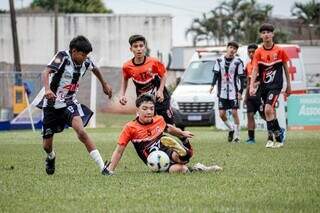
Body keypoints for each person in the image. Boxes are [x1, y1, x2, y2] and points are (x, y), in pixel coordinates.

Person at [38, 35, 112, 175]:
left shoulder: (85, 62)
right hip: (51, 105)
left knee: (82, 132)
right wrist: (47, 90)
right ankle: (51, 157)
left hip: (69, 102)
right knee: (47, 146)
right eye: (83, 54)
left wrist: (104, 84)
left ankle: (103, 168)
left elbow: (95, 69)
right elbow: (46, 71)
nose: (85, 57)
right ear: (73, 51)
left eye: (87, 55)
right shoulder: (63, 57)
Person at [102, 94, 222, 175]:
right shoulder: (130, 127)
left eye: (151, 108)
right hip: (153, 158)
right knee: (182, 169)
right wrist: (110, 170)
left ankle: (184, 145)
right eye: (144, 108)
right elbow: (119, 151)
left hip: (165, 147)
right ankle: (198, 166)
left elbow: (169, 129)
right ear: (137, 110)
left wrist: (181, 133)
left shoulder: (159, 119)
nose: (149, 112)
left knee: (180, 157)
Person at [249, 23, 291, 148]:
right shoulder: (258, 52)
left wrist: (289, 85)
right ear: (260, 35)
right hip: (263, 87)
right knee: (267, 112)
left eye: (268, 32)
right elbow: (255, 70)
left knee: (268, 109)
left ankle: (277, 138)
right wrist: (252, 86)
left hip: (276, 86)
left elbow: (286, 69)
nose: (266, 34)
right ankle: (272, 137)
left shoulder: (280, 50)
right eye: (263, 32)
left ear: (273, 34)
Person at [119, 34, 174, 124]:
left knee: (169, 124)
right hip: (144, 100)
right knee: (144, 123)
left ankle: (183, 137)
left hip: (160, 98)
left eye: (141, 46)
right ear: (131, 49)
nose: (139, 49)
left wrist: (160, 90)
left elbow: (163, 75)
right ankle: (155, 138)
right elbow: (125, 79)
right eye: (135, 46)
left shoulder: (154, 62)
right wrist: (123, 95)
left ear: (145, 48)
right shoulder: (127, 66)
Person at [209, 41, 245, 143]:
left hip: (234, 91)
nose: (232, 50)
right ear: (227, 48)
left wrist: (240, 92)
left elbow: (242, 78)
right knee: (221, 114)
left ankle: (237, 136)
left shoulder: (238, 62)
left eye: (234, 48)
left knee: (234, 112)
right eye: (230, 47)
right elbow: (216, 74)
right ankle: (231, 128)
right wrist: (212, 85)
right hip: (222, 92)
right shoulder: (219, 60)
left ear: (236, 51)